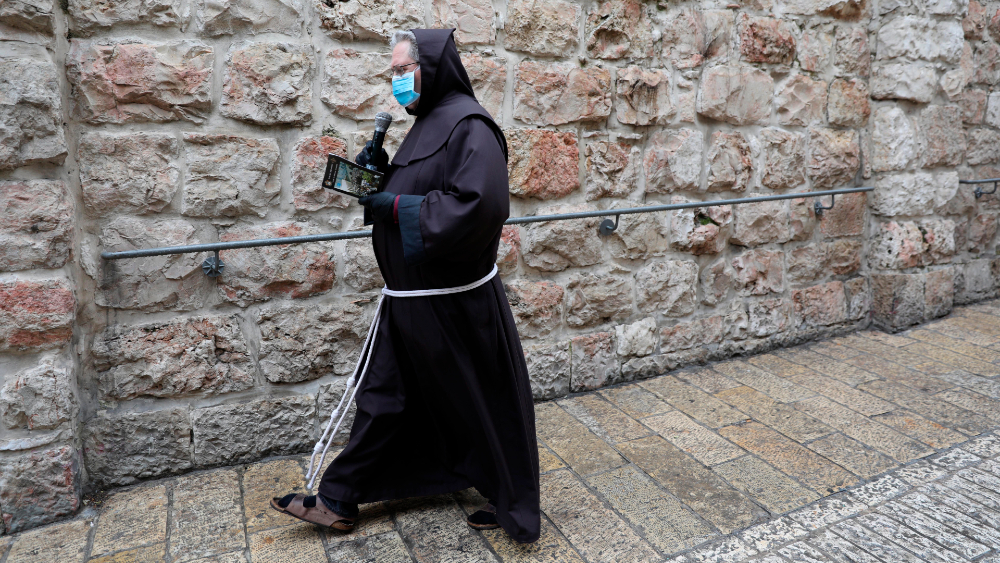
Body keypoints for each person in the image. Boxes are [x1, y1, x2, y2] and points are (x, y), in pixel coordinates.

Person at [270, 28, 541, 544]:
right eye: (392, 72)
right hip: (413, 301)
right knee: (387, 396)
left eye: (402, 70)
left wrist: (394, 205)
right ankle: (338, 498)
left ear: (433, 68)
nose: (395, 81)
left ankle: (509, 498)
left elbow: (480, 206)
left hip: (454, 305)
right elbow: (422, 188)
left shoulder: (471, 127)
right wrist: (377, 185)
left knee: (478, 402)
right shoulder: (425, 125)